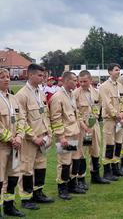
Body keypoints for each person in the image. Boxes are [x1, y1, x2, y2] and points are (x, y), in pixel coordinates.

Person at [16, 64, 54, 211]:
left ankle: (38, 193)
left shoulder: (40, 92)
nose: (42, 78)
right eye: (39, 75)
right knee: (26, 169)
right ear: (30, 75)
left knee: (40, 166)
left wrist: (48, 134)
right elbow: (22, 120)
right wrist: (33, 137)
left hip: (42, 138)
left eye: (43, 75)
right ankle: (26, 198)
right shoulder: (22, 95)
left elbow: (46, 115)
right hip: (29, 140)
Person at [49, 71, 85, 200]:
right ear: (66, 81)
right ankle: (62, 187)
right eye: (74, 80)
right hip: (66, 136)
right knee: (64, 162)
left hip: (74, 133)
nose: (77, 82)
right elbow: (56, 118)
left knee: (74, 160)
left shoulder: (71, 95)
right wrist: (61, 136)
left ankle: (72, 184)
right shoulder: (57, 97)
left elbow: (76, 114)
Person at [73, 70, 110, 186]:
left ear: (90, 80)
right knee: (82, 152)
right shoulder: (76, 94)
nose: (82, 83)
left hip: (93, 125)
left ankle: (95, 175)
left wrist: (94, 118)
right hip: (83, 127)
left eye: (85, 81)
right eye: (80, 81)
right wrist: (84, 125)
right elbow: (75, 112)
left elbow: (97, 106)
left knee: (95, 150)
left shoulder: (96, 92)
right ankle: (81, 179)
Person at [0, 68, 25, 217]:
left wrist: (19, 137)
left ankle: (9, 206)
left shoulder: (13, 98)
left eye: (8, 76)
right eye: (2, 77)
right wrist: (10, 138)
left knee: (13, 176)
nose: (6, 79)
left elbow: (22, 118)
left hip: (15, 146)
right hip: (2, 146)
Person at [99, 63, 123, 181]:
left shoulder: (120, 85)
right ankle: (107, 170)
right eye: (116, 70)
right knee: (109, 144)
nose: (118, 72)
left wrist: (121, 113)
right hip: (110, 120)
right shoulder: (104, 86)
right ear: (109, 72)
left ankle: (116, 167)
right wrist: (116, 115)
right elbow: (107, 103)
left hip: (119, 119)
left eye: (119, 70)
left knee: (118, 143)